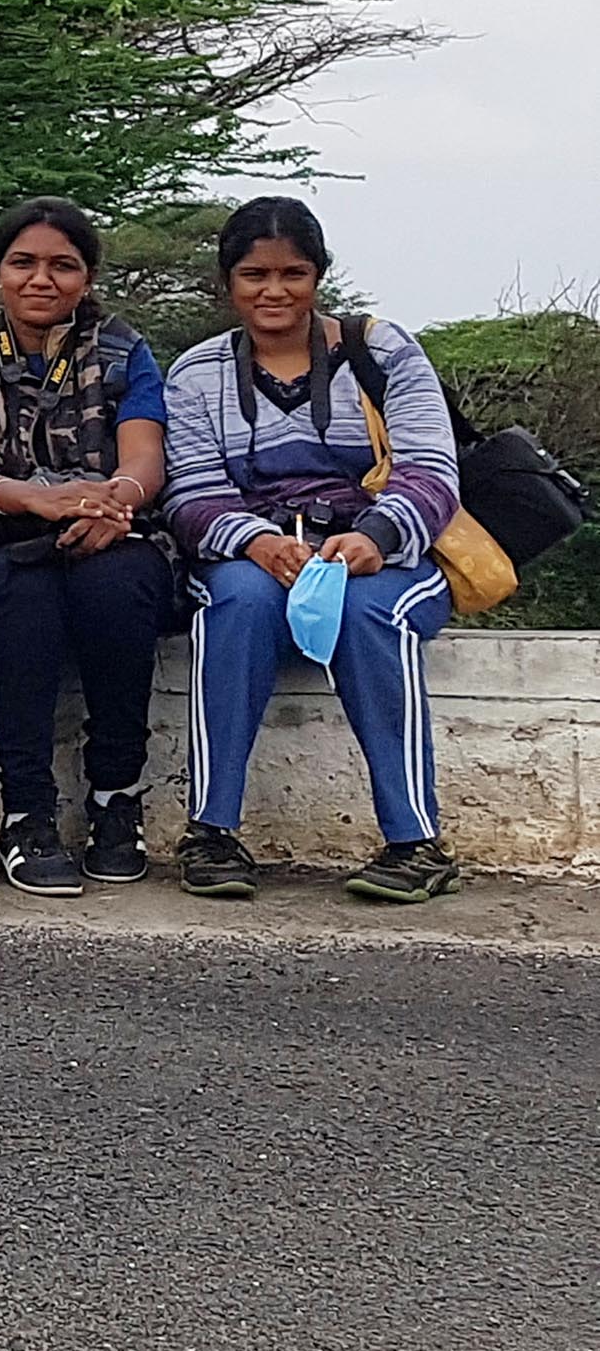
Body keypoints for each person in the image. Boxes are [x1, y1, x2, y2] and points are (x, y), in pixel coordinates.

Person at [161, 196, 465, 906]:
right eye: (254, 274)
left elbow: (431, 471)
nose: (274, 291)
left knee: (368, 613)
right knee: (235, 603)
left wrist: (374, 537)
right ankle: (211, 832)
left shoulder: (383, 352)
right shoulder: (197, 373)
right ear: (227, 281)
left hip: (383, 555)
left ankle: (415, 840)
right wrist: (258, 542)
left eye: (293, 273)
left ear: (319, 276)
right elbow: (190, 495)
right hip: (258, 554)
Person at [0, 198, 176, 895]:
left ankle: (115, 799)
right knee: (22, 596)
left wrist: (112, 502)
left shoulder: (128, 354)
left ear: (87, 277)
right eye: (23, 262)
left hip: (114, 525)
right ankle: (27, 811)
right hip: (1, 530)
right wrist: (38, 498)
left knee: (118, 588)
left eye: (63, 264)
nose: (43, 279)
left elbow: (144, 457)